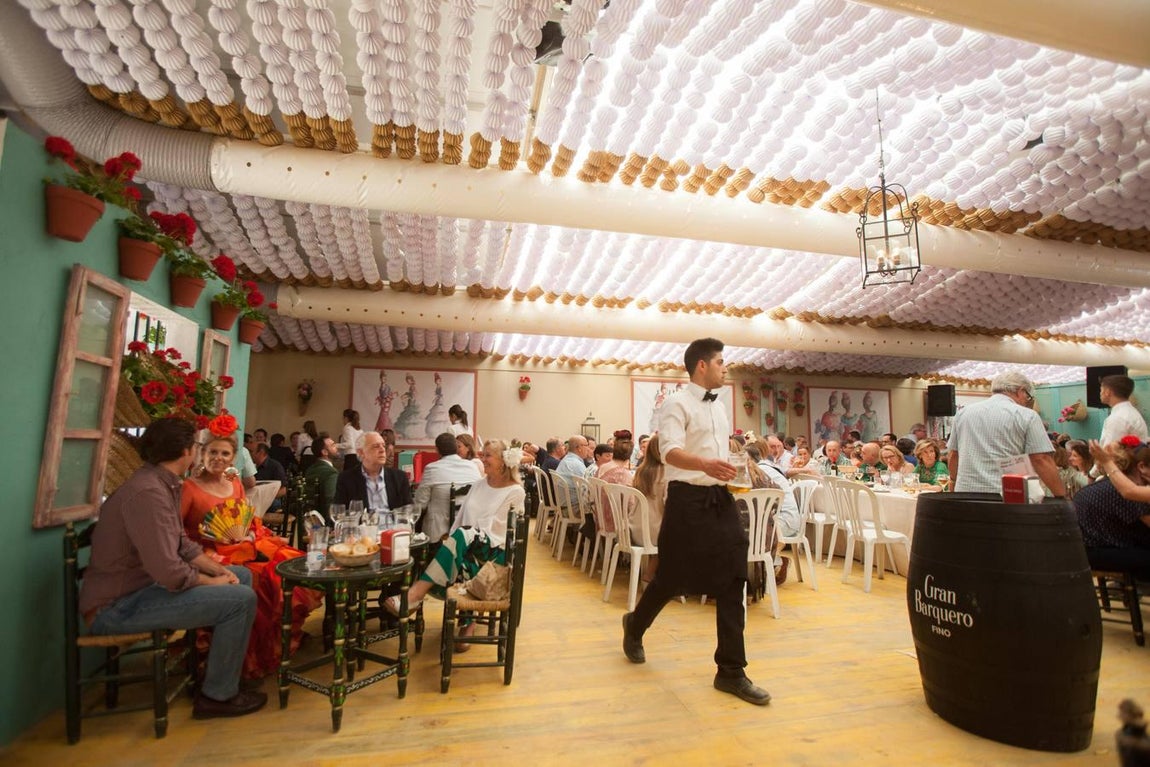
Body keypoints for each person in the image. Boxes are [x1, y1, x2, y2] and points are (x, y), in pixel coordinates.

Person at [79, 418, 265, 719]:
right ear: (186, 451)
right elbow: (169, 571)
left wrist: (217, 570)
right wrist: (212, 582)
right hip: (117, 606)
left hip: (139, 590)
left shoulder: (161, 483)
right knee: (240, 600)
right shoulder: (149, 493)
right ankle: (217, 696)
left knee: (242, 575)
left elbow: (181, 544)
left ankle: (220, 672)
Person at [621, 338, 770, 706]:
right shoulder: (676, 403)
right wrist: (704, 464)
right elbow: (668, 451)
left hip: (720, 498)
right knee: (670, 577)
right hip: (686, 499)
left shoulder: (719, 407)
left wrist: (729, 468)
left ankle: (731, 671)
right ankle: (635, 625)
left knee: (735, 576)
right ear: (701, 365)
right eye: (720, 362)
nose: (725, 368)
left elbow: (716, 454)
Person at [180, 432, 322, 679]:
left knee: (287, 561)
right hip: (206, 553)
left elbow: (243, 518)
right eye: (213, 452)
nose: (218, 458)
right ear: (202, 453)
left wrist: (250, 534)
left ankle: (279, 634)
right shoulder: (189, 488)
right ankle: (244, 656)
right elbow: (176, 533)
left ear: (233, 457)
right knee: (259, 576)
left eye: (225, 453)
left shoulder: (234, 482)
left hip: (241, 545)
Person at [386, 439, 526, 649]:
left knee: (461, 539)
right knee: (459, 550)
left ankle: (415, 595)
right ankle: (467, 624)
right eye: (482, 454)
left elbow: (499, 530)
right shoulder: (478, 484)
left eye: (488, 455)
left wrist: (463, 537)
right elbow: (461, 517)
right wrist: (453, 542)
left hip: (495, 551)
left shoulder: (515, 491)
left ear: (503, 462)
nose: (482, 458)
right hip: (469, 546)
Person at [949, 371, 1066, 497]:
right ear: (1021, 391)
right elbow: (1040, 459)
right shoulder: (1027, 416)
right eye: (1028, 397)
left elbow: (954, 455)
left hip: (966, 495)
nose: (1026, 402)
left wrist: (954, 481)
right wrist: (1061, 496)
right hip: (1006, 495)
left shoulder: (963, 413)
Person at [1076, 439, 1150, 573]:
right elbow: (1130, 492)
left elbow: (1130, 491)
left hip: (1082, 552)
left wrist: (1106, 461)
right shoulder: (1128, 488)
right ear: (1141, 466)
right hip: (1107, 553)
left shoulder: (1094, 487)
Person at [414, 432, 482, 543]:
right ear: (456, 448)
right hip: (468, 531)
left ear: (437, 450)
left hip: (439, 534)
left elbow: (421, 504)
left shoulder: (432, 469)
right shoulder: (472, 466)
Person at [334, 431, 414, 513]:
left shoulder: (399, 477)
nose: (382, 450)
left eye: (383, 446)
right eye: (376, 446)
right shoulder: (346, 479)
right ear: (361, 452)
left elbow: (409, 510)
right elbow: (339, 512)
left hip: (392, 521)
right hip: (362, 521)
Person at [595, 432, 635, 535]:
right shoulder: (623, 474)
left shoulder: (602, 467)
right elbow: (631, 506)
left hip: (600, 517)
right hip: (616, 522)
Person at [1100, 375, 1149, 447]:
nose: (1100, 393)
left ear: (1107, 392)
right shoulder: (1130, 412)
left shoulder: (1117, 418)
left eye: (1101, 390)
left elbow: (1110, 451)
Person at [303, 432, 339, 523]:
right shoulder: (331, 473)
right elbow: (330, 501)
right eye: (333, 445)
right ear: (324, 452)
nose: (336, 447)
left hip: (309, 516)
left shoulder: (310, 469)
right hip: (323, 519)